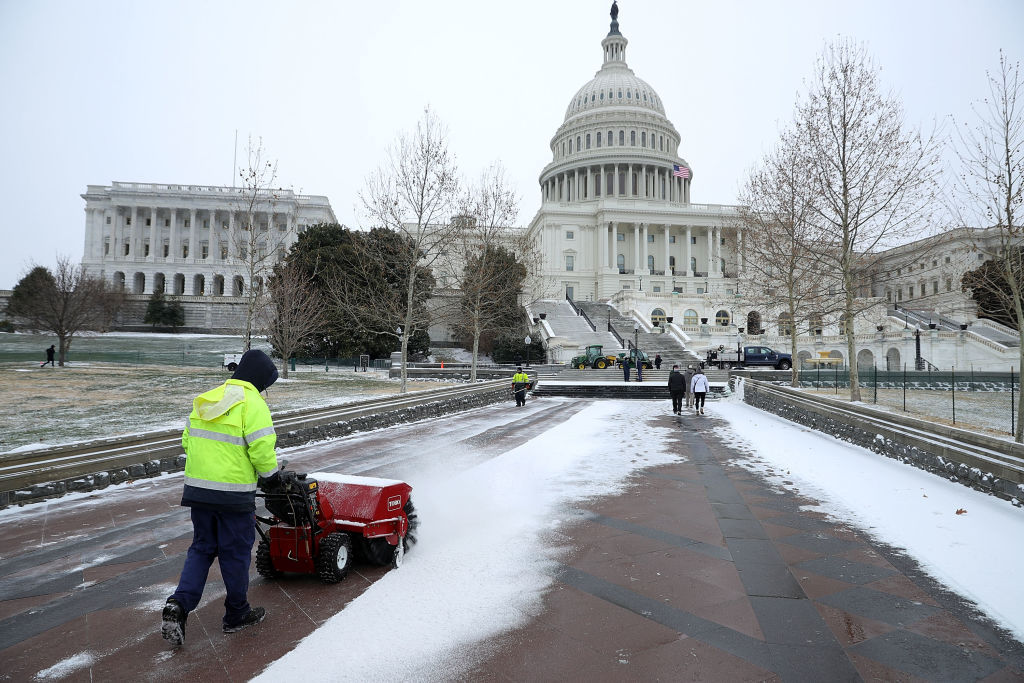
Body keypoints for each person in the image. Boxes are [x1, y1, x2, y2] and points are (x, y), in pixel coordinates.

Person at [161, 349, 281, 648]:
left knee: (201, 549)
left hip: (198, 493)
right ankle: (237, 614)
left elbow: (187, 441)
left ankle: (179, 605)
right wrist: (272, 477)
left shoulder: (207, 397)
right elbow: (262, 451)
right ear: (259, 379)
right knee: (235, 554)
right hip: (234, 497)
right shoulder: (252, 404)